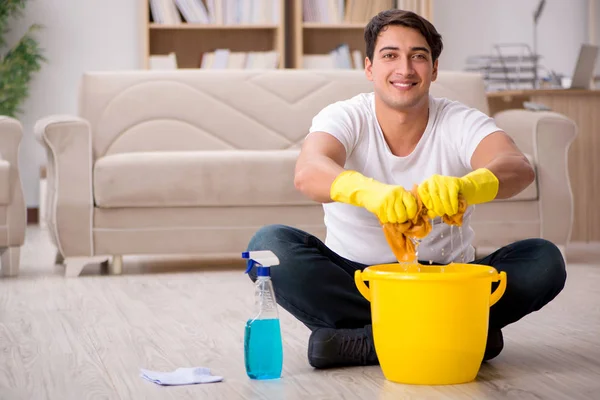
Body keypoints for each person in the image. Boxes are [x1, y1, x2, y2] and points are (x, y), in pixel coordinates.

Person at [245, 9, 566, 369]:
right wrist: (366, 191)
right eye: (390, 55)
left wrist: (467, 186)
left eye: (418, 56)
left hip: (445, 285)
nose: (405, 69)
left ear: (434, 69)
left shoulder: (459, 120)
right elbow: (308, 171)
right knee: (268, 246)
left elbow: (517, 167)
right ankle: (457, 337)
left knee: (544, 260)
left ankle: (362, 343)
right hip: (359, 283)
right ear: (369, 68)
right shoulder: (345, 116)